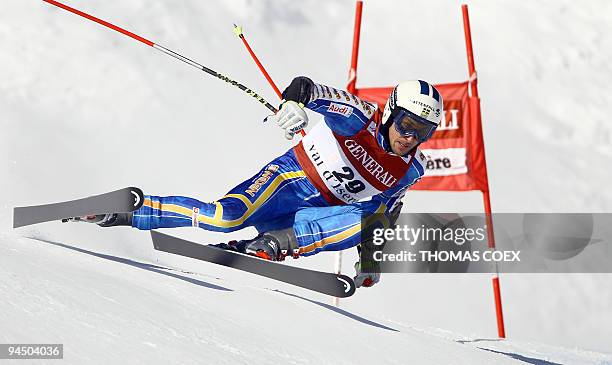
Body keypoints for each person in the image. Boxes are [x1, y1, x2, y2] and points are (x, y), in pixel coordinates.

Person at [69, 77, 444, 288]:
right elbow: (305, 88)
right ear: (391, 113)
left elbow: (388, 215)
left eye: (422, 131)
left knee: (373, 218)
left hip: (307, 221)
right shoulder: (358, 117)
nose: (410, 138)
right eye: (407, 125)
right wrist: (293, 106)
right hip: (286, 182)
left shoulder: (413, 169)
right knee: (221, 218)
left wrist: (371, 261)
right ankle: (128, 210)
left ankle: (271, 244)